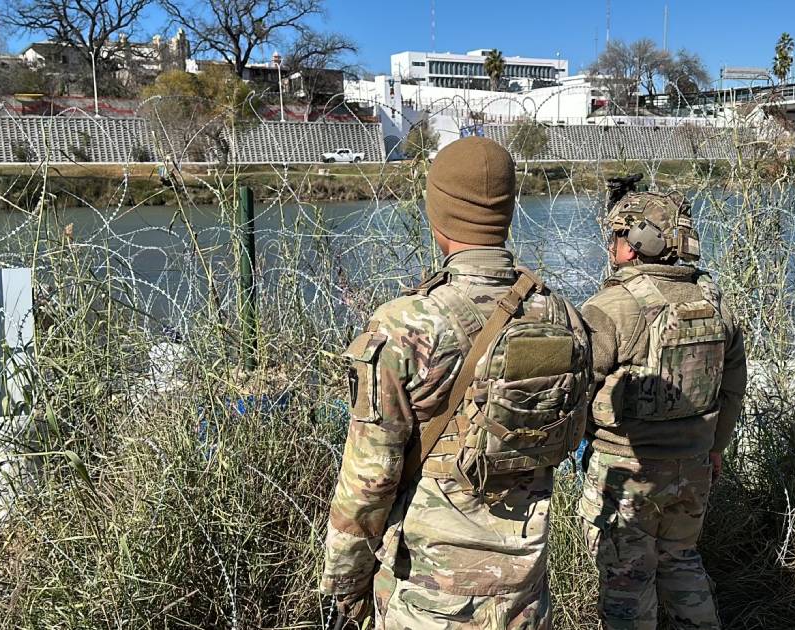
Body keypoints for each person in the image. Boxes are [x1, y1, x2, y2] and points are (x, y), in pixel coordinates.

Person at [320, 136, 593, 629]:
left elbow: (367, 484)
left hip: (432, 597)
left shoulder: (406, 326)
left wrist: (344, 588)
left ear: (437, 213)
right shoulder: (563, 317)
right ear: (507, 212)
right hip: (525, 591)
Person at [579, 182, 747, 630]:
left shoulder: (611, 307)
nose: (612, 245)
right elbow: (732, 389)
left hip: (627, 470)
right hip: (693, 465)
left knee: (627, 581)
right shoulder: (714, 301)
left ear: (634, 244)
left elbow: (576, 387)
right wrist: (715, 448)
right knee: (682, 563)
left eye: (616, 236)